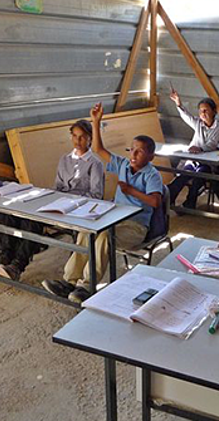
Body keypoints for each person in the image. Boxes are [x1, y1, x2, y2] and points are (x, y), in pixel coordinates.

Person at [42, 102, 163, 304]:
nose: (132, 155)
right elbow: (98, 148)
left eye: (139, 152)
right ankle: (69, 281)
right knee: (87, 230)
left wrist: (130, 190)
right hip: (114, 217)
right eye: (131, 149)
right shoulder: (124, 164)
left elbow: (155, 201)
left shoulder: (152, 175)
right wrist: (96, 122)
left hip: (135, 226)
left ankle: (87, 286)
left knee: (104, 235)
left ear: (150, 156)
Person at [0, 119, 104, 280]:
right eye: (74, 136)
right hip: (59, 203)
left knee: (33, 221)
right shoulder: (65, 159)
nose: (78, 141)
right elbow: (58, 186)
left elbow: (96, 195)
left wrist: (71, 200)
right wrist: (52, 198)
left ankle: (17, 265)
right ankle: (4, 258)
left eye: (82, 137)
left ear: (90, 138)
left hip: (77, 208)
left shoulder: (95, 163)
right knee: (16, 215)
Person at [167, 89, 219, 209]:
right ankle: (170, 199)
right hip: (193, 160)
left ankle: (189, 203)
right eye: (200, 111)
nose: (202, 114)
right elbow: (187, 117)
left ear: (214, 111)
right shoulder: (198, 123)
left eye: (206, 110)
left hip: (208, 164)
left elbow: (211, 144)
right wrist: (178, 103)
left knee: (198, 176)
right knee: (184, 174)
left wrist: (199, 148)